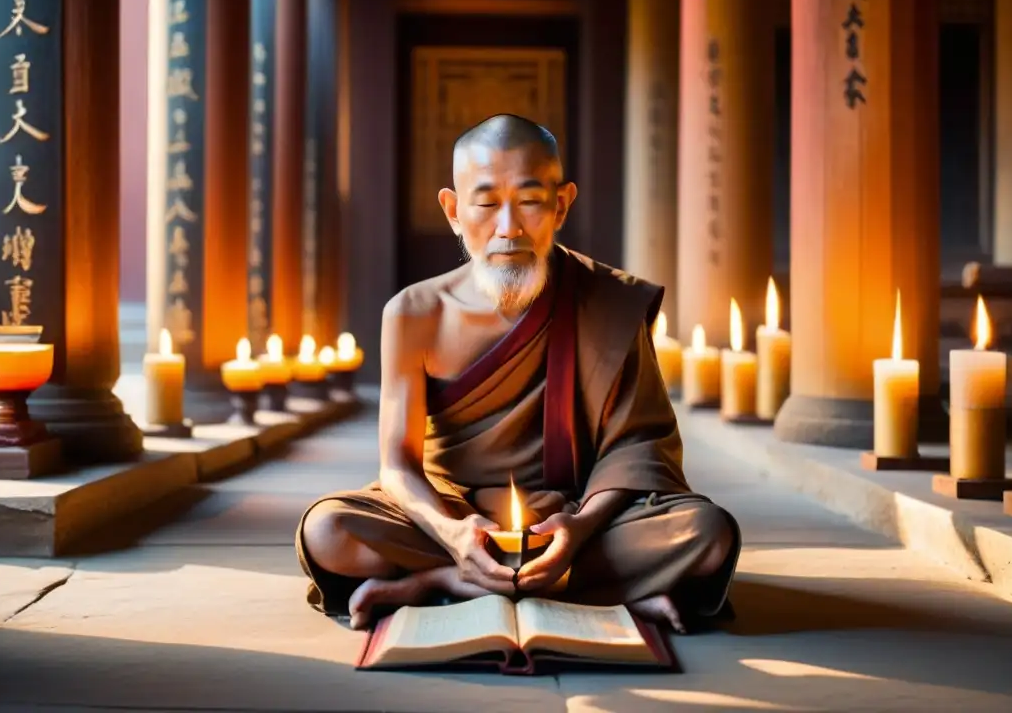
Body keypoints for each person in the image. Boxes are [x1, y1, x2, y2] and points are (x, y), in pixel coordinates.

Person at [295, 114, 740, 632]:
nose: (509, 228)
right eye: (485, 204)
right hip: (453, 511)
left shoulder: (608, 301)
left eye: (529, 201)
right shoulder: (415, 312)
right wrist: (451, 532)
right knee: (328, 531)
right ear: (454, 210)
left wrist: (578, 526)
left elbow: (635, 449)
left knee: (708, 534)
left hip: (575, 515)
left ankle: (443, 584)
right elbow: (397, 464)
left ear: (561, 204)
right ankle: (564, 586)